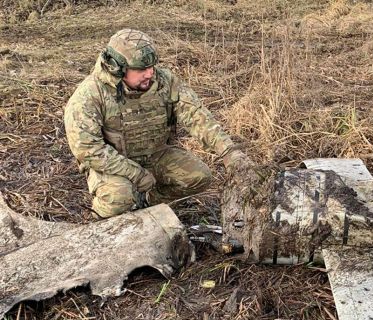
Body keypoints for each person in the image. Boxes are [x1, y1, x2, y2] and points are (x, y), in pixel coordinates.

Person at [64, 29, 251, 218]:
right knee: (119, 198)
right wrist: (135, 174)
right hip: (113, 164)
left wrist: (230, 153)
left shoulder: (165, 82)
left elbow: (197, 116)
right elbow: (88, 150)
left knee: (198, 177)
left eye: (152, 66)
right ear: (117, 67)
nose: (150, 73)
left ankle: (150, 205)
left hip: (156, 154)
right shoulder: (89, 96)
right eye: (141, 69)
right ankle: (103, 226)